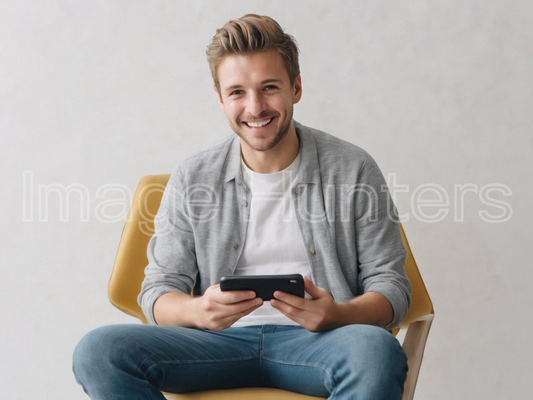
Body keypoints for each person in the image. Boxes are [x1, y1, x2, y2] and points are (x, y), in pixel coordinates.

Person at [73, 14, 412, 400]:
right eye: (237, 92)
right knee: (99, 351)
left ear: (296, 87)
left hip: (321, 345)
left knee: (376, 351)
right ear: (220, 99)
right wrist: (199, 311)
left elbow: (392, 289)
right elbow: (158, 292)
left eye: (269, 87)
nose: (255, 107)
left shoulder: (353, 168)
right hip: (215, 347)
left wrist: (337, 314)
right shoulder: (192, 176)